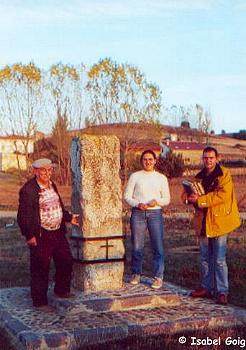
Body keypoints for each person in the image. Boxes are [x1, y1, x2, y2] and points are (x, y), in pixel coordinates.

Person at [17, 158, 79, 310]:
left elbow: (57, 206)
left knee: (65, 260)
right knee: (40, 267)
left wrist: (69, 217)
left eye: (49, 170)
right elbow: (22, 216)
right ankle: (39, 301)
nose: (47, 173)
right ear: (35, 171)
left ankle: (61, 290)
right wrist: (29, 235)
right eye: (43, 170)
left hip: (57, 231)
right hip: (40, 234)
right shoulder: (28, 190)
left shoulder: (52, 185)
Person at [183, 146, 241, 305]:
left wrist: (200, 200)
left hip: (219, 222)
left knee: (219, 259)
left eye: (211, 158)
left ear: (217, 158)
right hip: (203, 222)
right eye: (205, 158)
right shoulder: (199, 176)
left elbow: (221, 195)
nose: (208, 161)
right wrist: (189, 197)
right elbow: (185, 195)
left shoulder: (224, 174)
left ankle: (222, 291)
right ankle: (206, 288)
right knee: (204, 258)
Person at [124, 150, 170, 289]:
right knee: (137, 246)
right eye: (145, 159)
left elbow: (167, 199)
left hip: (155, 213)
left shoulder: (161, 178)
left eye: (150, 159)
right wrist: (137, 204)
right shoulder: (135, 176)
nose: (148, 162)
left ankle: (158, 277)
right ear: (141, 161)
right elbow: (127, 196)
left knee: (158, 246)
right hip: (138, 213)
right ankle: (136, 273)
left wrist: (156, 202)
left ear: (155, 161)